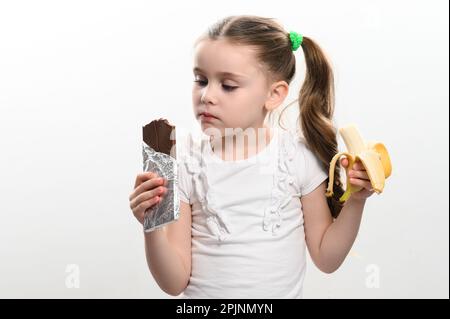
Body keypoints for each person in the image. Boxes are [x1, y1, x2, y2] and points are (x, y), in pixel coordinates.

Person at [128, 15, 375, 298]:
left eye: (228, 85)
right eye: (201, 80)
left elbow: (327, 258)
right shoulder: (183, 164)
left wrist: (356, 200)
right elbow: (174, 282)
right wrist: (152, 225)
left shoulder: (297, 158)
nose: (207, 95)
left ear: (274, 94)